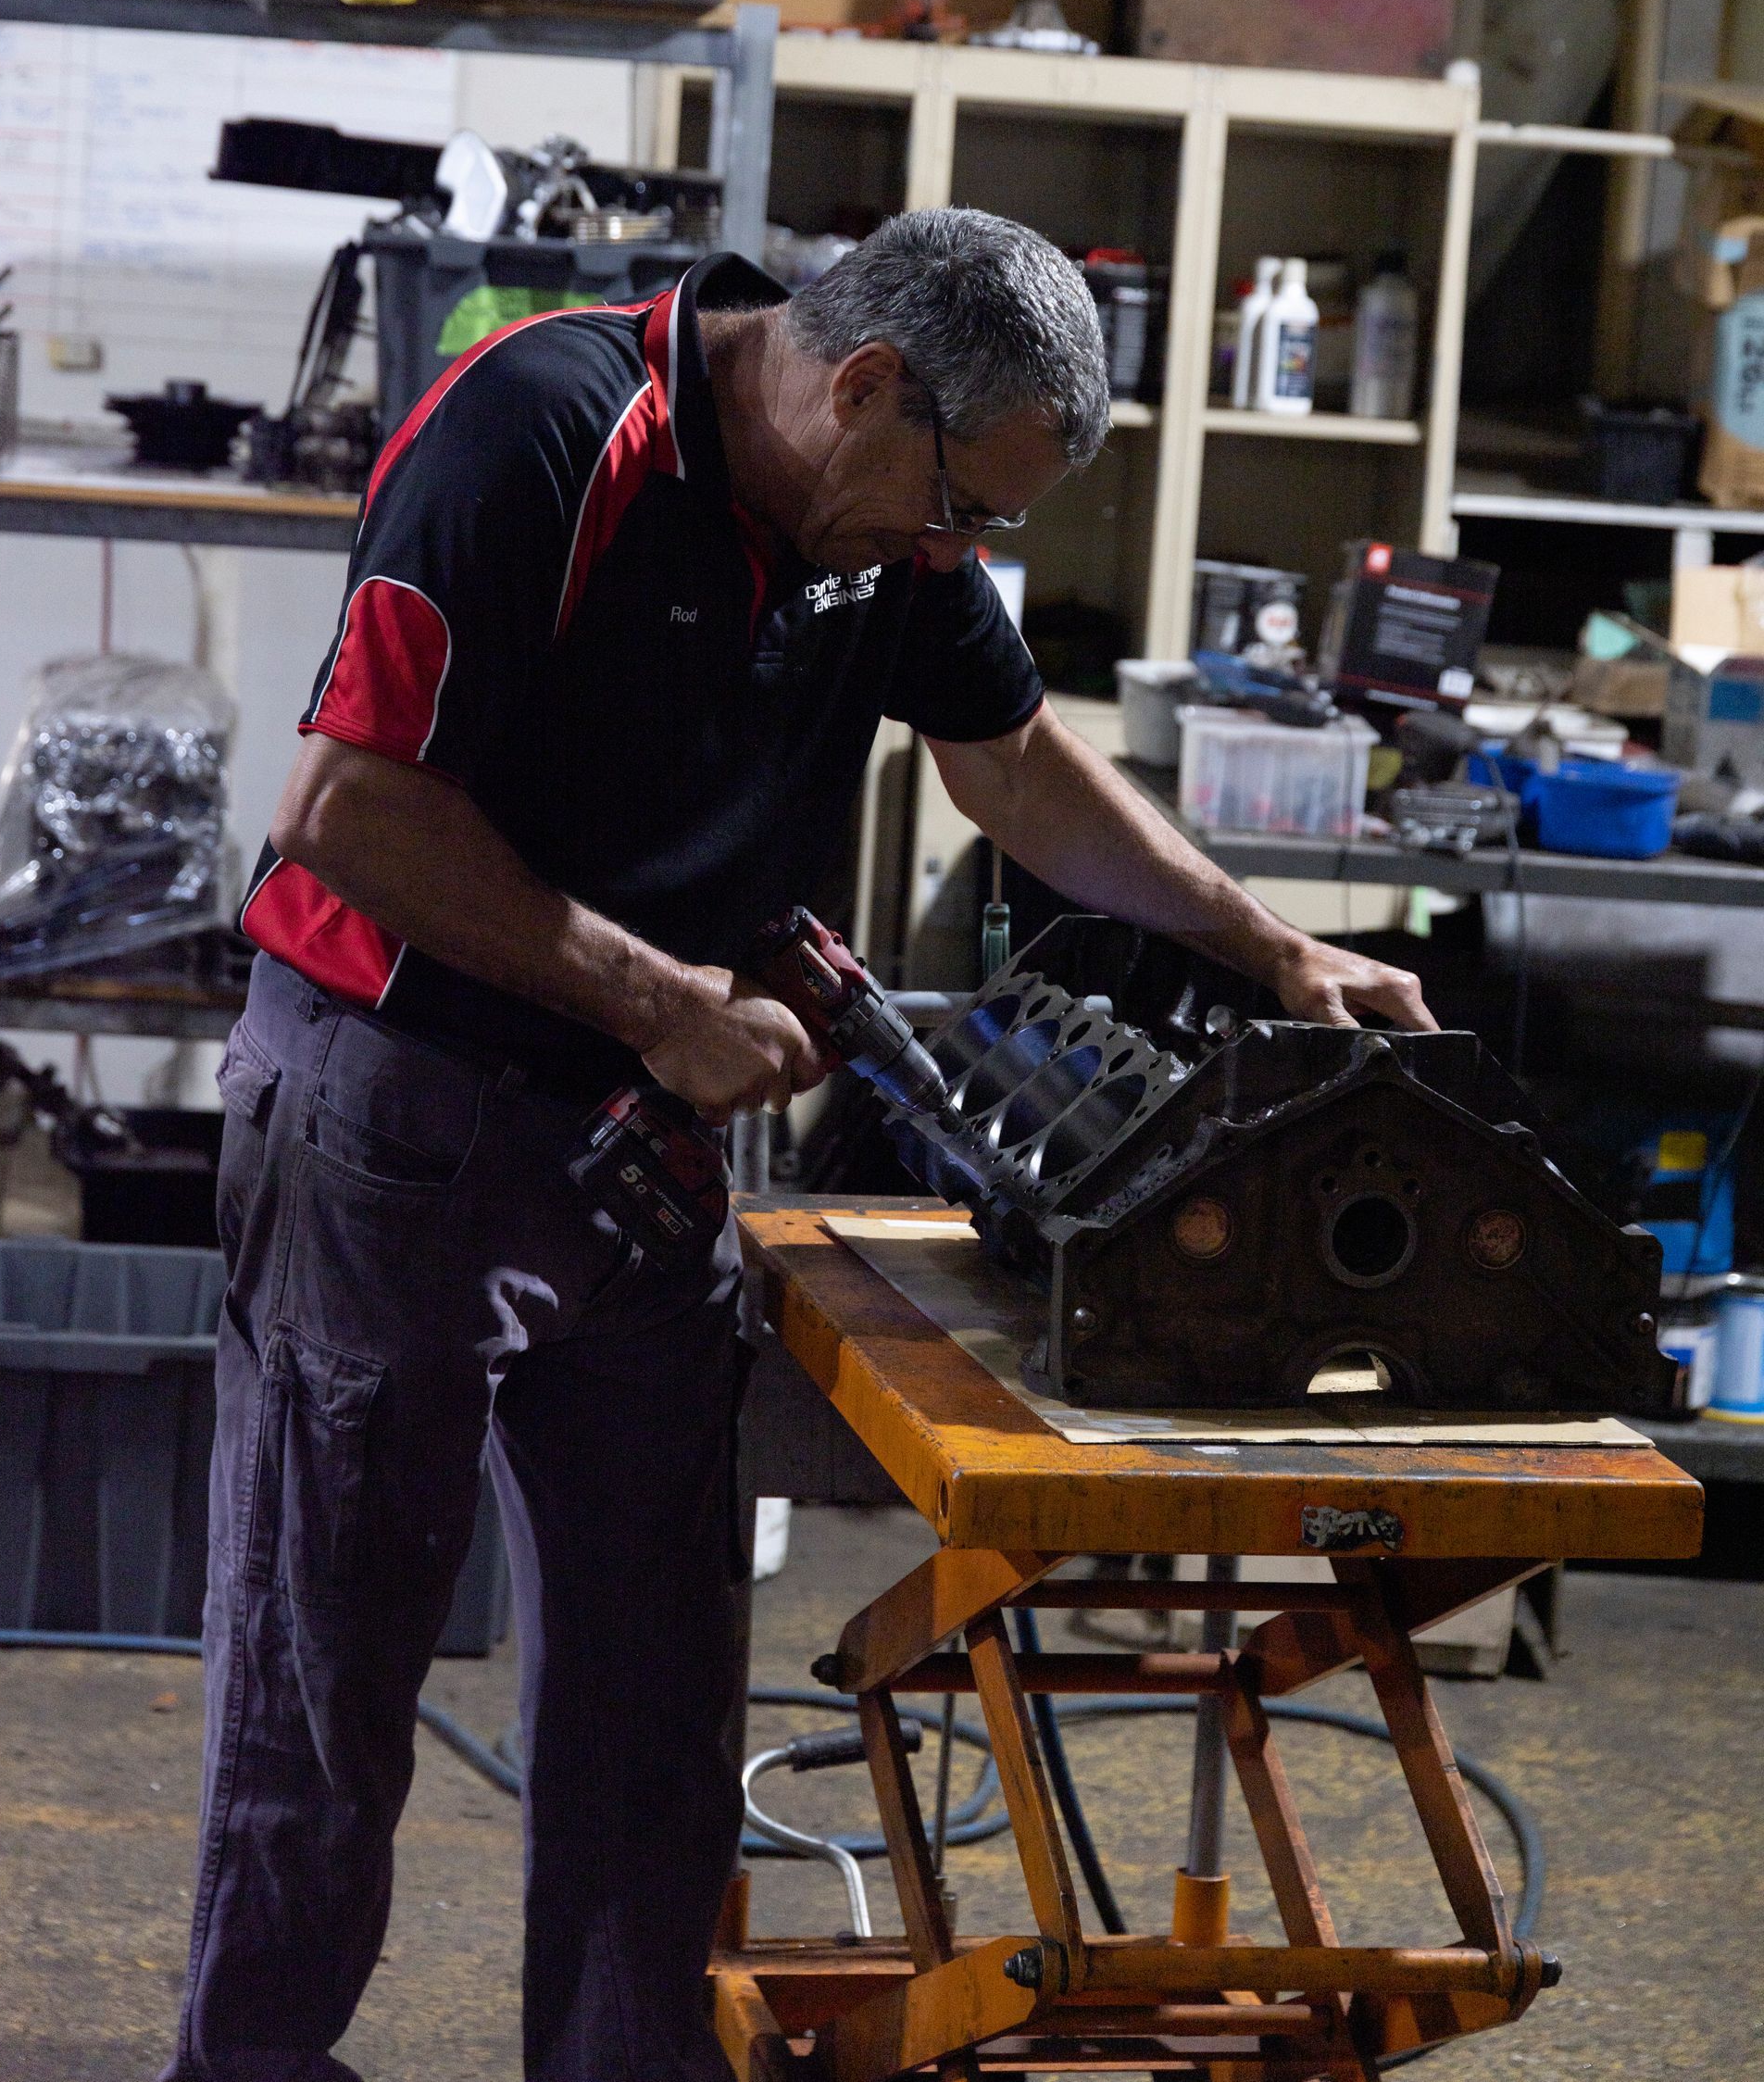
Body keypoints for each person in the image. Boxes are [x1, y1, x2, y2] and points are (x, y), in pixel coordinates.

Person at [164, 207, 1432, 2082]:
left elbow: (1007, 762)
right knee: (324, 1679)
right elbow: (346, 810)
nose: (956, 559)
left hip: (642, 1142)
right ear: (863, 385)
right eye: (957, 515)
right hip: (398, 1122)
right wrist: (656, 997)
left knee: (657, 1699)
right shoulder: (537, 432)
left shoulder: (888, 517)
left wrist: (1265, 941)